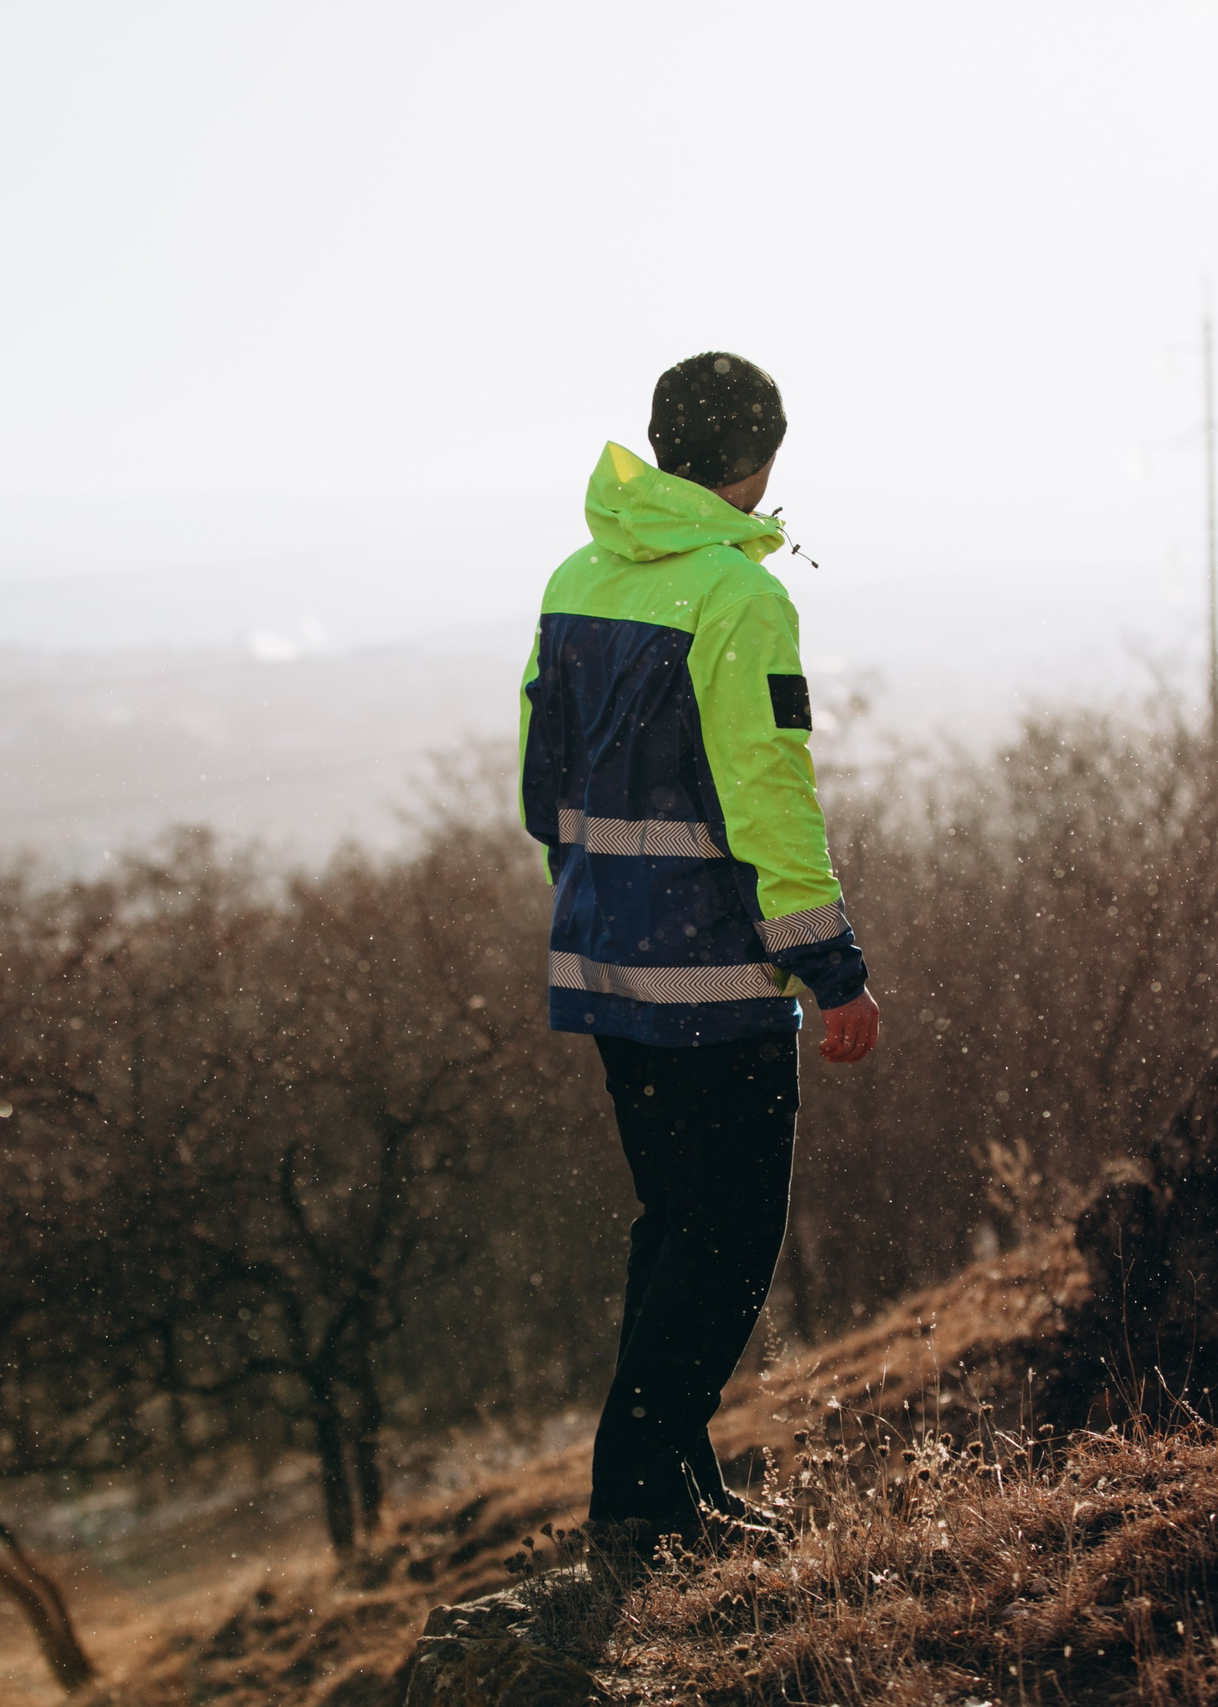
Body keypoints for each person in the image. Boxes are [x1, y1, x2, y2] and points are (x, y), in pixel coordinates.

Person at [517, 351, 881, 1562]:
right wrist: (829, 964)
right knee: (730, 1238)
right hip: (714, 978)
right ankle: (635, 1488)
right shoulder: (739, 598)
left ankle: (677, 1476)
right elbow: (769, 798)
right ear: (758, 462)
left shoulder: (579, 576)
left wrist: (603, 892)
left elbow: (538, 784)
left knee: (674, 1222)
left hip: (604, 963)